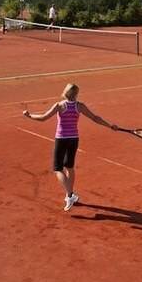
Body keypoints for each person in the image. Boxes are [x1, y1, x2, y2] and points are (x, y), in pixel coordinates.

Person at [23, 83, 118, 211]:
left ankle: (70, 195)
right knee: (70, 167)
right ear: (76, 94)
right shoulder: (80, 106)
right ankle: (69, 195)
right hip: (74, 139)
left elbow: (43, 118)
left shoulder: (59, 105)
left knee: (57, 169)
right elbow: (95, 118)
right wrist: (110, 125)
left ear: (65, 92)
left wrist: (29, 116)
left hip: (61, 139)